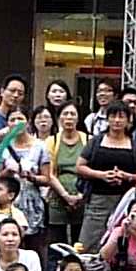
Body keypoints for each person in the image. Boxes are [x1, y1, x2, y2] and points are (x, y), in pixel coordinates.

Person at [75, 100, 136, 250]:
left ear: (128, 120)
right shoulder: (96, 141)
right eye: (113, 116)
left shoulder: (134, 146)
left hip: (124, 201)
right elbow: (80, 167)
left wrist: (126, 176)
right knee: (88, 243)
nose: (117, 121)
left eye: (121, 117)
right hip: (97, 200)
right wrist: (101, 175)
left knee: (120, 244)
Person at [1, 107, 51, 258]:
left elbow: (47, 179)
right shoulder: (2, 147)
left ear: (28, 122)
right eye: (12, 120)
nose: (16, 123)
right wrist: (8, 172)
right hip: (9, 203)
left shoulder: (40, 146)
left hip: (33, 204)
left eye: (20, 119)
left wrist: (32, 177)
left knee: (34, 248)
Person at [45, 101, 87, 250]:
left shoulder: (88, 139)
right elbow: (49, 173)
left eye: (72, 114)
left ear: (78, 118)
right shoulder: (52, 141)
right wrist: (65, 195)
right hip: (58, 199)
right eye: (65, 114)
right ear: (59, 118)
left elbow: (91, 169)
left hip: (83, 199)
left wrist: (81, 195)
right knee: (56, 246)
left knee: (80, 245)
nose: (69, 118)